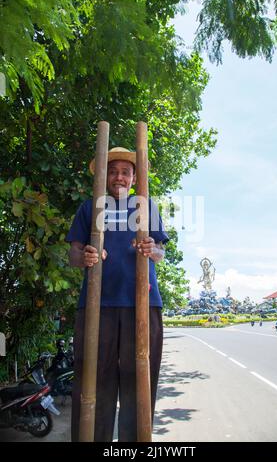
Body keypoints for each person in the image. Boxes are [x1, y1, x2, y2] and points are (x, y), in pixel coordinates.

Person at [66, 147, 169, 442]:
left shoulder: (146, 207)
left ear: (135, 177)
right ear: (104, 176)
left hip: (143, 305)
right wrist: (85, 255)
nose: (118, 177)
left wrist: (152, 250)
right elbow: (73, 254)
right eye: (112, 171)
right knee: (93, 387)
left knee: (139, 388)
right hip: (97, 307)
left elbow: (161, 252)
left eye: (125, 172)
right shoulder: (90, 208)